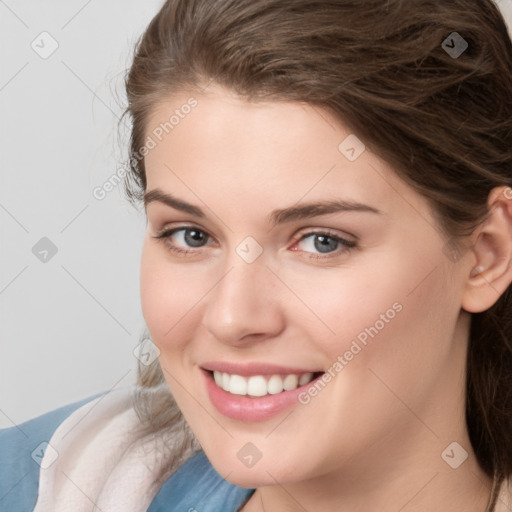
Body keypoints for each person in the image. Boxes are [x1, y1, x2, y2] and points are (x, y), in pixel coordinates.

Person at [2, 0, 512, 510]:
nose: (232, 318)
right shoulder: (38, 483)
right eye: (191, 235)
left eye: (322, 241)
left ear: (486, 254)